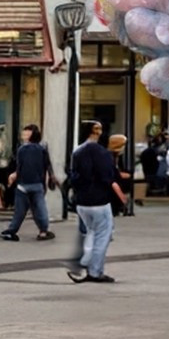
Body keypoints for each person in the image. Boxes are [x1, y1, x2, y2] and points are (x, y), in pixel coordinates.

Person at [67, 122, 126, 284]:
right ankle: (94, 270)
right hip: (99, 201)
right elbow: (108, 177)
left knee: (91, 233)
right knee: (103, 236)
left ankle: (86, 262)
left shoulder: (78, 152)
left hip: (82, 201)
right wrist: (119, 193)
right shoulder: (102, 153)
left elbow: (73, 175)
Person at [2, 125, 57, 241]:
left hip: (22, 185)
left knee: (20, 211)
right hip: (37, 184)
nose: (23, 135)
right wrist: (51, 177)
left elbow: (19, 168)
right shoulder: (42, 149)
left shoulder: (21, 150)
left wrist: (14, 177)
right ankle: (43, 231)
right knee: (40, 209)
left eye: (26, 133)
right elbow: (47, 165)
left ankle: (12, 230)